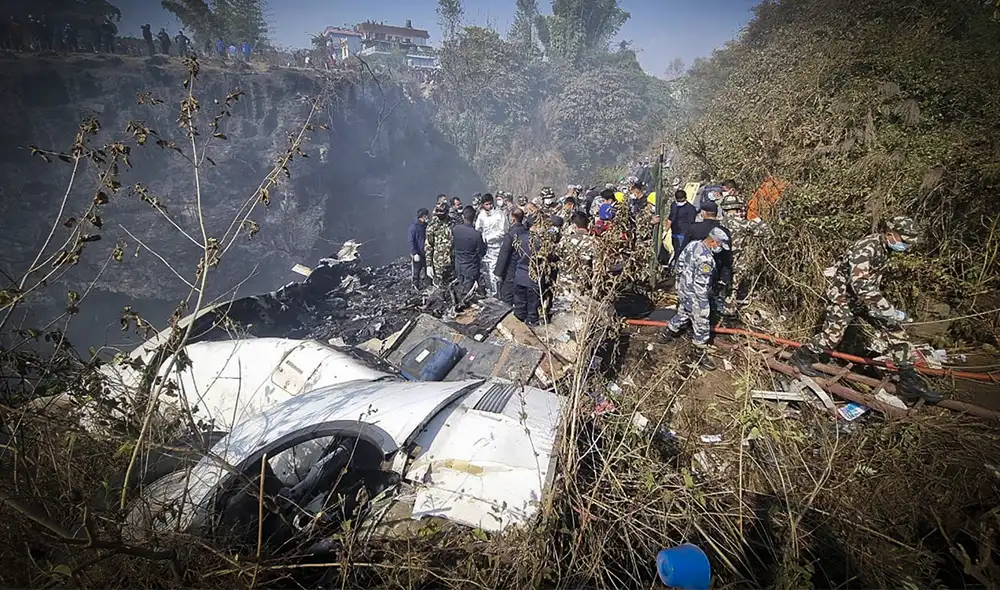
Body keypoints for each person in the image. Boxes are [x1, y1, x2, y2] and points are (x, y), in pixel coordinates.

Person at [789, 216, 940, 402]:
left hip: (866, 301)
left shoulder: (885, 248)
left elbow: (870, 285)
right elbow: (860, 284)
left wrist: (884, 311)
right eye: (905, 241)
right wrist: (887, 308)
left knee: (895, 331)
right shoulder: (866, 247)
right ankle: (802, 356)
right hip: (844, 297)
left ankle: (909, 381)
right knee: (831, 338)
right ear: (891, 234)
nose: (907, 246)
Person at [657, 227, 731, 370]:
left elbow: (679, 265)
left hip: (684, 290)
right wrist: (704, 307)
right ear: (713, 242)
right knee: (702, 326)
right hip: (696, 296)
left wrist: (679, 284)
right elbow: (701, 287)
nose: (720, 248)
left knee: (683, 313)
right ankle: (699, 353)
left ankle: (667, 333)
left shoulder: (693, 245)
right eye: (720, 245)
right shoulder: (706, 260)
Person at [681, 201, 733, 324]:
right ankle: (712, 321)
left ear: (703, 213)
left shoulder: (694, 228)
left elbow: (684, 250)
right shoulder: (723, 231)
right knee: (711, 298)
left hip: (694, 271)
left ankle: (692, 323)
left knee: (694, 300)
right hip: (717, 270)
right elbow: (727, 256)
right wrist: (726, 275)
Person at [474, 194, 509, 297]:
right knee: (488, 273)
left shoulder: (500, 214)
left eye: (490, 204)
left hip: (499, 247)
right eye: (486, 204)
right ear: (483, 205)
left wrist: (489, 238)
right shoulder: (481, 215)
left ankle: (500, 295)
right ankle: (492, 294)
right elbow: (478, 228)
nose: (489, 206)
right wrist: (482, 238)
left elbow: (504, 231)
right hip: (487, 249)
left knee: (498, 273)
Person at [451, 206, 487, 300]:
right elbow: (482, 252)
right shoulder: (476, 234)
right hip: (471, 268)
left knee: (460, 290)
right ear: (474, 218)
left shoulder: (456, 229)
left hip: (458, 266)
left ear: (463, 216)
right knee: (468, 295)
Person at [555, 212, 595, 297]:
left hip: (564, 286)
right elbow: (597, 267)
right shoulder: (593, 242)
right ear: (588, 225)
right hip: (583, 286)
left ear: (573, 226)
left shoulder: (565, 240)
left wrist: (566, 234)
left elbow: (556, 254)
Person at [513, 221, 545, 326]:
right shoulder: (540, 241)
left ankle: (518, 323)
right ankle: (531, 322)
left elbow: (515, 255)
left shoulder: (520, 238)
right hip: (533, 277)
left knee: (519, 304)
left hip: (520, 275)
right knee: (533, 305)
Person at [494, 208, 528, 306]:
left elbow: (504, 254)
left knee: (507, 295)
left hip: (511, 269)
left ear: (512, 219)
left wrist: (498, 272)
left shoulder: (510, 235)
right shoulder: (526, 231)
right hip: (523, 267)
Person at [424, 202, 454, 289]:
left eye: (442, 212)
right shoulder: (432, 226)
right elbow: (429, 245)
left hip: (453, 260)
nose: (440, 214)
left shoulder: (452, 222)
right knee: (440, 288)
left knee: (453, 286)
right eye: (438, 212)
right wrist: (429, 265)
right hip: (439, 263)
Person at [666, 189, 697, 267]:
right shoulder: (674, 205)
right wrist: (666, 230)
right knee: (677, 251)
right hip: (675, 233)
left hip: (684, 234)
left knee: (682, 252)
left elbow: (691, 223)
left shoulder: (690, 208)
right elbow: (670, 218)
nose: (679, 202)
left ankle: (680, 268)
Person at [408, 208, 429, 290]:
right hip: (418, 254)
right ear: (424, 216)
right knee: (416, 272)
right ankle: (415, 287)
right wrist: (414, 253)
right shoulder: (414, 227)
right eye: (427, 215)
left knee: (428, 271)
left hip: (426, 253)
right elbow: (411, 241)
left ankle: (429, 286)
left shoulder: (426, 226)